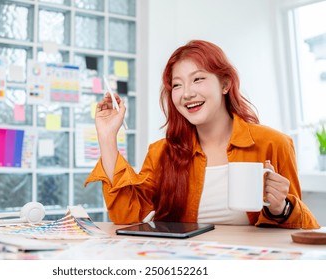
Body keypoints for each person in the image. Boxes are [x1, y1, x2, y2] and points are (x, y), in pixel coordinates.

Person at [84, 40, 319, 229]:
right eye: (177, 85)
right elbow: (127, 215)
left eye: (198, 79)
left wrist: (281, 208)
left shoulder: (273, 144)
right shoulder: (161, 153)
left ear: (225, 84)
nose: (186, 93)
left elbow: (303, 230)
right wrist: (107, 137)